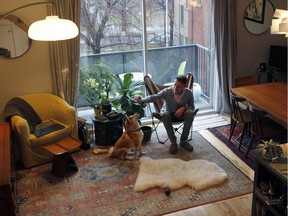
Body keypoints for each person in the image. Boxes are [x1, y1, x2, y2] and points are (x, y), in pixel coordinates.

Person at [135, 75, 198, 154]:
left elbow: (192, 106)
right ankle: (173, 142)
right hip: (168, 116)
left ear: (184, 86)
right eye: (174, 85)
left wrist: (183, 108)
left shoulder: (188, 93)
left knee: (190, 113)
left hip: (181, 116)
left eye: (178, 86)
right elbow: (155, 97)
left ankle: (183, 141)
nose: (175, 88)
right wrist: (142, 100)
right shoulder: (167, 91)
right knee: (165, 114)